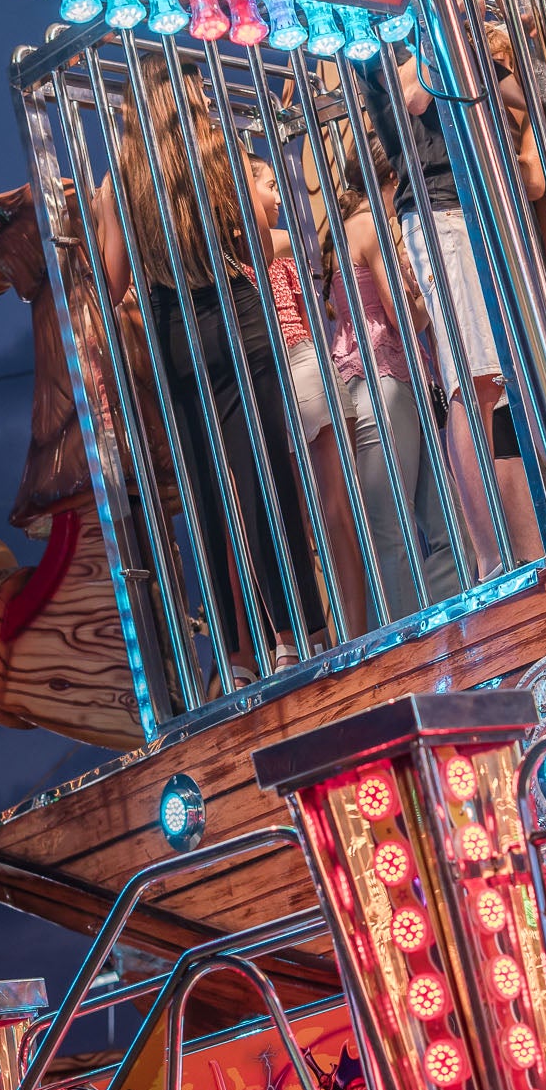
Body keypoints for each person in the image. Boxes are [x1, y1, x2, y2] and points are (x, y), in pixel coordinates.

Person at [97, 51, 326, 673]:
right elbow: (253, 238)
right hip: (236, 316)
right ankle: (298, 634)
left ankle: (235, 651)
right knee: (269, 477)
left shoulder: (120, 175)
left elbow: (112, 283)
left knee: (206, 494)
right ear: (193, 95)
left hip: (175, 335)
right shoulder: (216, 151)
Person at [361, 48, 544, 579]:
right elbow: (413, 97)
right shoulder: (388, 28)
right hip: (440, 206)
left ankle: (528, 552)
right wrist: (439, 29)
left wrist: (486, 34)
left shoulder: (452, 30)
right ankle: (489, 558)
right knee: (473, 383)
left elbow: (530, 94)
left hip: (483, 205)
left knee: (501, 389)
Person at [323, 181, 461, 616]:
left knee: (437, 528)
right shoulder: (369, 225)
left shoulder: (340, 233)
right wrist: (427, 292)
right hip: (384, 382)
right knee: (405, 533)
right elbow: (404, 317)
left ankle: (442, 634)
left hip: (376, 381)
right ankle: (415, 645)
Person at [245, 157, 369, 633]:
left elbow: (312, 309)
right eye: (270, 186)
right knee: (304, 519)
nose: (278, 198)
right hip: (274, 377)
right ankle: (322, 634)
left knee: (334, 511)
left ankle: (352, 634)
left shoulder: (272, 245)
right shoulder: (253, 245)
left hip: (297, 364)